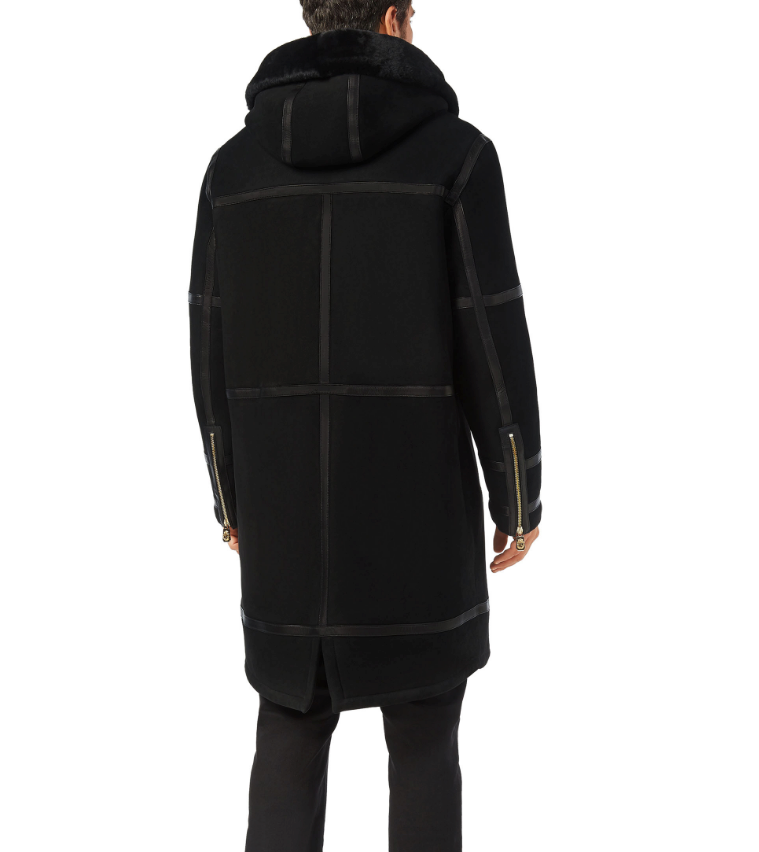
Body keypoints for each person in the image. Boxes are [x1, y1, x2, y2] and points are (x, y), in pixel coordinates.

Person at [187, 2, 542, 849]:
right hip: (416, 517)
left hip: (283, 518)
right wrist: (517, 495)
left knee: (289, 727)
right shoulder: (456, 155)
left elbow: (209, 347)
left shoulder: (232, 169)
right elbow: (492, 338)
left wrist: (231, 500)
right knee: (423, 742)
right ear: (392, 17)